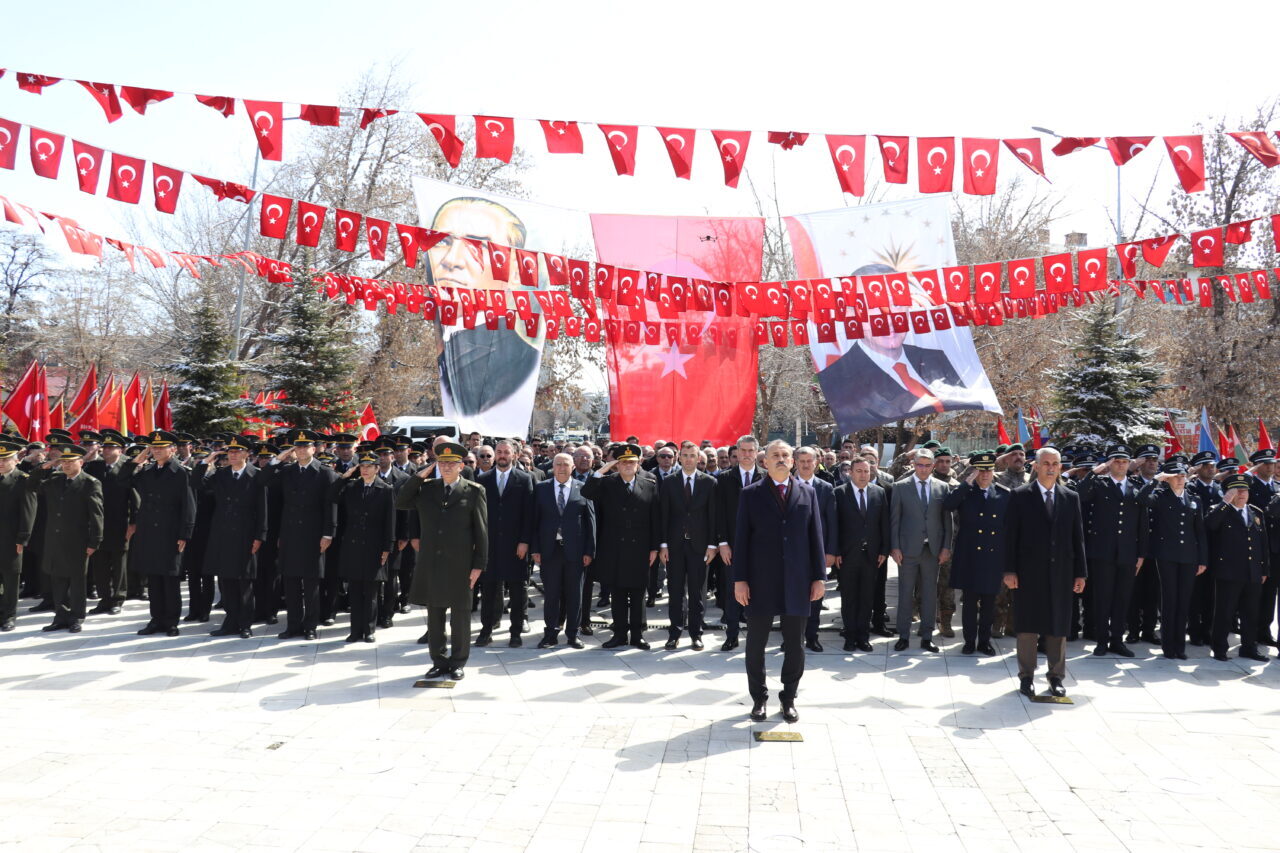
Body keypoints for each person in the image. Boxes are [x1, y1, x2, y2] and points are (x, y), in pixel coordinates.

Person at [733, 440, 825, 724]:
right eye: (776, 455)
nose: (782, 459)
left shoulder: (808, 493)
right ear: (765, 461)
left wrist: (819, 577)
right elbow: (742, 540)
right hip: (761, 581)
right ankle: (759, 697)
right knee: (756, 643)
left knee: (795, 644)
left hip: (797, 580)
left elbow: (816, 538)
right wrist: (740, 579)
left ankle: (789, 698)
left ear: (793, 460)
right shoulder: (750, 494)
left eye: (786, 455)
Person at [398, 442, 488, 680]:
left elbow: (481, 532)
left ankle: (458, 661)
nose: (446, 467)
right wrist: (421, 474)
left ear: (461, 466)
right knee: (435, 616)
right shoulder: (427, 489)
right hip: (432, 563)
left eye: (452, 463)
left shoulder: (474, 490)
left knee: (460, 617)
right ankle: (438, 660)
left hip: (461, 564)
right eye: (442, 463)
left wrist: (479, 565)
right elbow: (401, 500)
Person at [1004, 447, 1088, 698]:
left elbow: (1078, 538)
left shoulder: (1070, 497)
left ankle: (1056, 677)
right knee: (1028, 627)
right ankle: (1026, 676)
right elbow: (1010, 538)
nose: (1051, 468)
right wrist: (1009, 570)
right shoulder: (1019, 496)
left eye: (1055, 463)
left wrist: (1080, 574)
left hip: (1061, 572)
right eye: (1046, 463)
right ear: (1036, 466)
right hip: (1028, 573)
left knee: (1057, 626)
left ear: (1060, 467)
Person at [261, 430, 338, 641]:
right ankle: (293, 625)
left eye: (306, 446)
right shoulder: (287, 471)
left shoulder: (324, 472)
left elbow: (330, 506)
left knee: (312, 584)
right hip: (290, 535)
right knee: (292, 582)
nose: (302, 450)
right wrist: (278, 458)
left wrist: (328, 534)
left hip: (314, 536)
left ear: (314, 449)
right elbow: (263, 479)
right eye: (299, 447)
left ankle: (310, 625)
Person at [1075, 445, 1148, 657]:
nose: (1120, 464)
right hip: (1103, 551)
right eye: (1116, 461)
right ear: (1109, 463)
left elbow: (1142, 524)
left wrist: (1141, 554)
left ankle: (1117, 640)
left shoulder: (1134, 487)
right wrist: (1096, 471)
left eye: (1124, 461)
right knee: (1103, 598)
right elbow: (1079, 495)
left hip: (1127, 553)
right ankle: (1101, 641)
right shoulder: (1099, 484)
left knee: (1122, 598)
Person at [582, 445, 657, 649]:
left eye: (632, 462)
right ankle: (619, 634)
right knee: (618, 594)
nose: (627, 466)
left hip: (640, 548)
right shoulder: (607, 483)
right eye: (623, 462)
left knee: (638, 593)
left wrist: (654, 548)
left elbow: (655, 518)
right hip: (614, 548)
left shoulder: (649, 484)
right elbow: (586, 492)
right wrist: (602, 470)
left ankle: (637, 635)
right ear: (617, 464)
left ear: (638, 464)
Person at [126, 432, 196, 637]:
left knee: (170, 580)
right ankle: (156, 619)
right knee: (154, 579)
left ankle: (171, 621)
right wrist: (138, 459)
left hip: (170, 532)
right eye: (153, 448)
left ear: (172, 449)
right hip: (149, 533)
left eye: (161, 448)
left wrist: (185, 534)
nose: (156, 451)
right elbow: (123, 480)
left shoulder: (181, 473)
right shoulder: (147, 471)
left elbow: (188, 506)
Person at [1138, 460, 1208, 660]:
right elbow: (1141, 499)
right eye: (1175, 476)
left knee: (1184, 601)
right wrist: (1157, 480)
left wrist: (1202, 559)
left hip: (1189, 557)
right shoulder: (1161, 496)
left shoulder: (1194, 499)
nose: (1180, 479)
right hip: (1167, 556)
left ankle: (1180, 646)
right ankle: (1168, 646)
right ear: (1168, 479)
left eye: (1182, 476)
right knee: (1170, 601)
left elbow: (1200, 531)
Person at [943, 451, 1010, 655]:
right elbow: (948, 505)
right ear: (974, 471)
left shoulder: (1003, 494)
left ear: (993, 471)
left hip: (992, 557)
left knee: (989, 603)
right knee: (970, 602)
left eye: (988, 470)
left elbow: (1009, 526)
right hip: (969, 555)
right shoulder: (965, 492)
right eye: (981, 470)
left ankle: (985, 641)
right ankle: (969, 641)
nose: (985, 474)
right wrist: (966, 483)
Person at [198, 436, 266, 639]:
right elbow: (196, 483)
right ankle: (230, 622)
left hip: (246, 535)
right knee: (226, 581)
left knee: (244, 582)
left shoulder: (257, 475)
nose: (233, 455)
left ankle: (245, 623)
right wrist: (206, 461)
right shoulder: (220, 474)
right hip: (223, 534)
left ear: (247, 454)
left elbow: (263, 509)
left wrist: (259, 536)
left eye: (237, 451)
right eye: (230, 452)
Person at [889, 448, 953, 652]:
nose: (923, 469)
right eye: (919, 465)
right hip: (907, 550)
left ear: (933, 466)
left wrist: (945, 547)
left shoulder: (942, 487)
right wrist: (895, 547)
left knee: (929, 593)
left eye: (927, 465)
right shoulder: (900, 487)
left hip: (932, 550)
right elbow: (895, 521)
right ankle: (904, 636)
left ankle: (927, 636)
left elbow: (947, 522)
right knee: (906, 593)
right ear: (913, 465)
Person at [329, 450, 396, 643]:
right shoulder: (351, 487)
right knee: (355, 591)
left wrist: (387, 548)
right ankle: (355, 630)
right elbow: (332, 496)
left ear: (377, 468)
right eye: (363, 466)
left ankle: (369, 630)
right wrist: (344, 476)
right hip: (353, 546)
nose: (365, 470)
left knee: (372, 592)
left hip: (375, 547)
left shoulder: (385, 489)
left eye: (369, 467)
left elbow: (389, 522)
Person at [658, 440, 717, 651]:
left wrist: (712, 546)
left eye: (693, 456)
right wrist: (663, 545)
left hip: (700, 546)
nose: (689, 459)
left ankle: (696, 633)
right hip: (674, 546)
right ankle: (674, 633)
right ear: (679, 457)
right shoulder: (669, 482)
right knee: (674, 592)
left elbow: (713, 517)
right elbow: (663, 515)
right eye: (685, 455)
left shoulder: (709, 482)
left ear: (698, 458)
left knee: (697, 592)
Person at [476, 439, 534, 648]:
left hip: (515, 545)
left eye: (506, 452)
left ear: (514, 455)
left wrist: (525, 541)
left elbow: (529, 514)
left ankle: (516, 632)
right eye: (498, 452)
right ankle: (486, 630)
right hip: (490, 545)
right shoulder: (483, 479)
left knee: (518, 591)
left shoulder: (524, 479)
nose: (501, 455)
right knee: (489, 589)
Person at [1208, 474, 1269, 662]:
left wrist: (1264, 569)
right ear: (1229, 493)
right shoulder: (1220, 510)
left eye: (1245, 490)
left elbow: (1263, 544)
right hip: (1229, 572)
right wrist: (1225, 502)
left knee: (1251, 612)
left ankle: (1249, 647)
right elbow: (1209, 525)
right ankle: (1219, 648)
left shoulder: (1255, 512)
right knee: (1225, 612)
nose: (1242, 493)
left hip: (1252, 572)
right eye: (1237, 490)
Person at [833, 458, 889, 652]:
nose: (863, 474)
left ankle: (863, 637)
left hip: (872, 556)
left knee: (867, 598)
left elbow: (884, 524)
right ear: (851, 472)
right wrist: (836, 551)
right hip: (847, 556)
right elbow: (834, 525)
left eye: (866, 471)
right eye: (859, 471)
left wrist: (884, 550)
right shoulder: (839, 493)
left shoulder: (879, 493)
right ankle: (850, 637)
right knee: (849, 598)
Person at [714, 434, 763, 651]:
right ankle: (731, 635)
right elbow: (719, 514)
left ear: (756, 453)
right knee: (732, 591)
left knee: (759, 592)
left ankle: (755, 637)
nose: (747, 455)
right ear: (737, 452)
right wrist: (722, 543)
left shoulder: (766, 477)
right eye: (743, 451)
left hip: (760, 546)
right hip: (732, 546)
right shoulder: (725, 479)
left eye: (751, 451)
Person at [83, 431, 136, 617]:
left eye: (111, 447)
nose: (106, 450)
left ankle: (118, 598)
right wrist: (88, 455)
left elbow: (134, 497)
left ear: (120, 450)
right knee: (99, 563)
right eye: (104, 447)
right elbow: (79, 471)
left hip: (120, 522)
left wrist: (133, 522)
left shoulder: (127, 467)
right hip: (98, 523)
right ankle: (104, 599)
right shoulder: (95, 466)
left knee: (119, 562)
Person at [793, 446, 837, 652]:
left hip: (817, 552)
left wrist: (830, 552)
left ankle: (812, 636)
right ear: (795, 462)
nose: (805, 464)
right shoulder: (787, 486)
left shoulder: (826, 488)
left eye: (809, 460)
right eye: (801, 460)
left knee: (816, 595)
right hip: (792, 552)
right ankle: (791, 637)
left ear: (816, 462)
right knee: (791, 595)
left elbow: (832, 523)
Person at [1186, 450, 1222, 646]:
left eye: (1212, 465)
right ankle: (1194, 630)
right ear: (1198, 468)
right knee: (1196, 592)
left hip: (1216, 547)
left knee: (1212, 593)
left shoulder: (1219, 488)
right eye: (1206, 465)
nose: (1210, 468)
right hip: (1197, 546)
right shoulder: (1191, 488)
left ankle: (1208, 629)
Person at [1246, 448, 1280, 649]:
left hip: (1277, 547)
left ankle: (1265, 631)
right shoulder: (1250, 485)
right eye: (1265, 463)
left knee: (1271, 594)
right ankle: (1255, 630)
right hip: (1259, 546)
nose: (1270, 466)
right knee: (1260, 593)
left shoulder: (1277, 486)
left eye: (1272, 462)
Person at [0, 438, 35, 631]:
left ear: (16, 460)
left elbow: (28, 512)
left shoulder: (23, 480)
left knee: (11, 578)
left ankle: (9, 615)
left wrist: (23, 537)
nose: (1, 463)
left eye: (5, 459)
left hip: (11, 539)